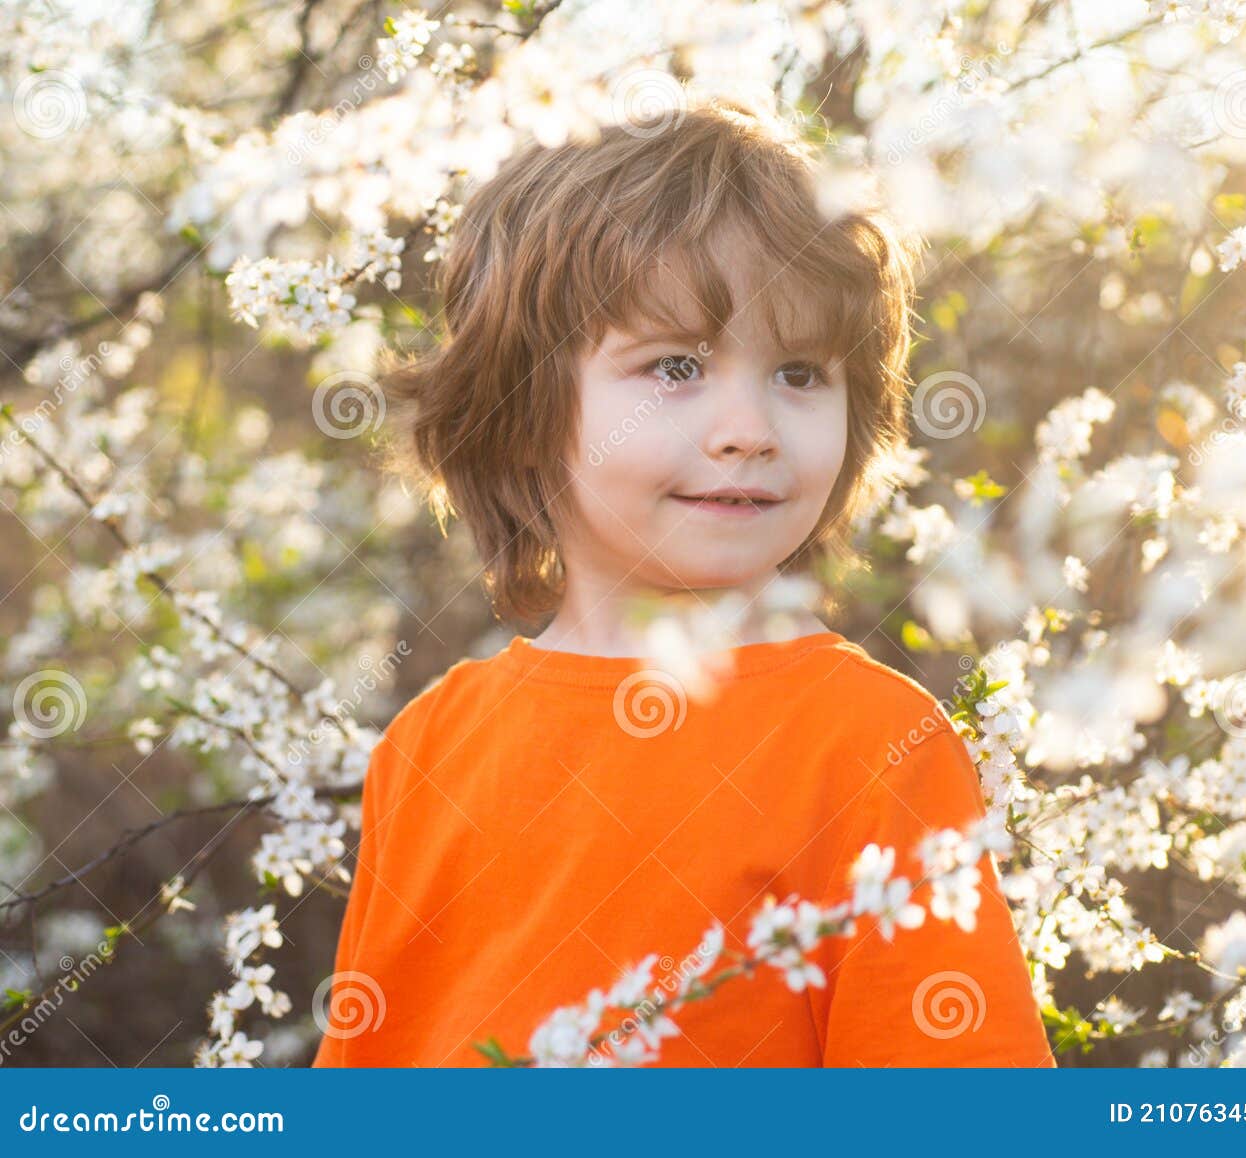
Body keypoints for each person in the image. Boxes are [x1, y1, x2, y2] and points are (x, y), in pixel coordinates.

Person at [311, 96, 1054, 1068]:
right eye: (675, 366)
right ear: (521, 411)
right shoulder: (428, 745)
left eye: (799, 374)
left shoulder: (872, 748)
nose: (748, 427)